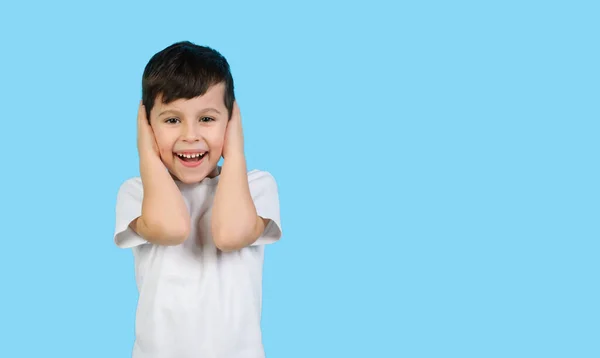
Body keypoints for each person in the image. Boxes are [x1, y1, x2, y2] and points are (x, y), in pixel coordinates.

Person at [113, 41, 282, 358]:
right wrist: (147, 152)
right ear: (148, 126)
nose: (190, 136)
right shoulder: (138, 191)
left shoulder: (256, 186)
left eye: (207, 119)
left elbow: (230, 235)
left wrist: (235, 153)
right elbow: (171, 227)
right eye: (172, 120)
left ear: (231, 123)